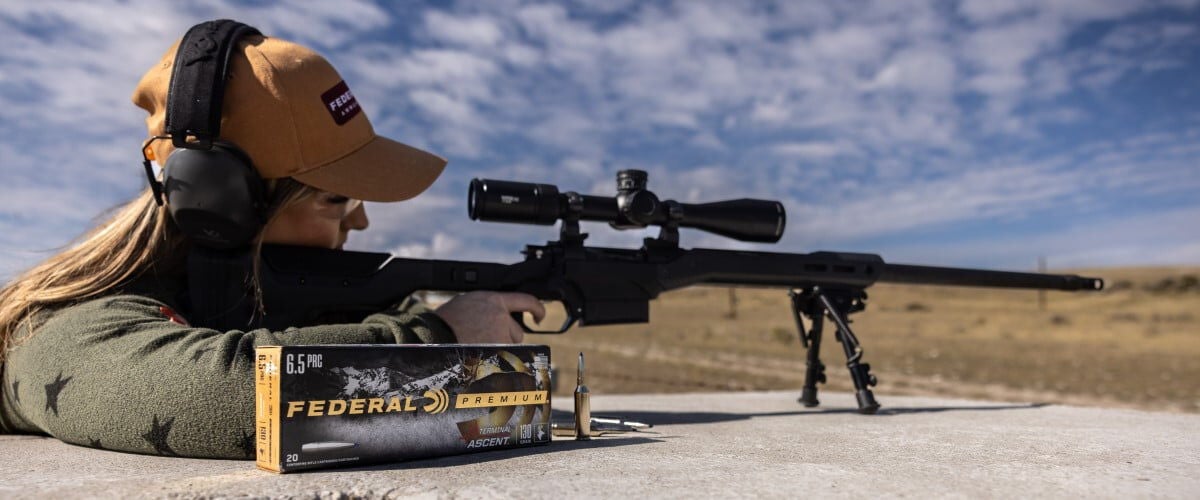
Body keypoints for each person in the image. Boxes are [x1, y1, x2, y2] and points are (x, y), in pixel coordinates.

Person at [0, 23, 544, 458]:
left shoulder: (247, 290)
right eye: (337, 201)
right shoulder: (60, 325)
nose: (360, 225)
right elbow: (222, 394)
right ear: (222, 204)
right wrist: (436, 334)